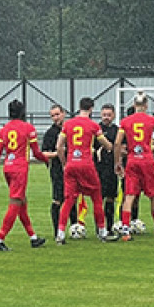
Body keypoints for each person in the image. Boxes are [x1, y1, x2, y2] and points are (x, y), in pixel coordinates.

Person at [0, 100, 49, 251]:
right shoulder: (28, 128)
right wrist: (46, 159)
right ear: (23, 112)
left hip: (7, 168)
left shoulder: (4, 129)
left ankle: (33, 238)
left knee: (21, 202)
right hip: (20, 169)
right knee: (15, 203)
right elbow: (36, 152)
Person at [55, 97, 113, 244]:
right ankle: (102, 231)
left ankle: (60, 233)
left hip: (71, 164)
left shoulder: (68, 124)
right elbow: (107, 145)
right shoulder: (93, 125)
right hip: (86, 164)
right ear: (91, 109)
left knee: (68, 199)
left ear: (79, 107)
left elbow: (58, 146)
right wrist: (109, 146)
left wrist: (64, 162)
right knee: (96, 197)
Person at [113, 92, 154, 240]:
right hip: (147, 161)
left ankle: (125, 229)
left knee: (129, 196)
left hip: (132, 161)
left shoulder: (125, 122)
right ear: (146, 105)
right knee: (153, 196)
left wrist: (117, 162)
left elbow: (117, 143)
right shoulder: (153, 121)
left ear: (134, 105)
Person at [41, 105, 78, 234]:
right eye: (53, 116)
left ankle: (75, 228)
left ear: (64, 114)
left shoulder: (72, 129)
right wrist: (58, 154)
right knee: (58, 199)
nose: (55, 118)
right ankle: (57, 230)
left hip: (73, 168)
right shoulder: (50, 133)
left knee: (73, 197)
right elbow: (43, 153)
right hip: (58, 169)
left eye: (57, 114)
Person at [94, 104, 120, 233]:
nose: (106, 118)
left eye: (109, 115)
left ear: (114, 115)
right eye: (104, 115)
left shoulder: (117, 130)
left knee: (111, 198)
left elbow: (121, 147)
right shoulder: (96, 129)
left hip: (112, 169)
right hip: (98, 169)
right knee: (99, 198)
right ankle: (99, 228)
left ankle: (109, 227)